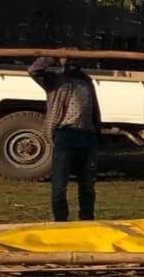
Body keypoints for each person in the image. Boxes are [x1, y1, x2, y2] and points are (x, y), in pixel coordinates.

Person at [29, 57, 100, 222]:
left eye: (74, 59)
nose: (71, 63)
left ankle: (87, 220)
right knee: (60, 184)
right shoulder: (54, 80)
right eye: (67, 59)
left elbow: (94, 108)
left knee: (87, 184)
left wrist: (98, 131)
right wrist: (52, 57)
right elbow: (33, 70)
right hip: (65, 135)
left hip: (88, 135)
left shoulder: (86, 81)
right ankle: (60, 221)